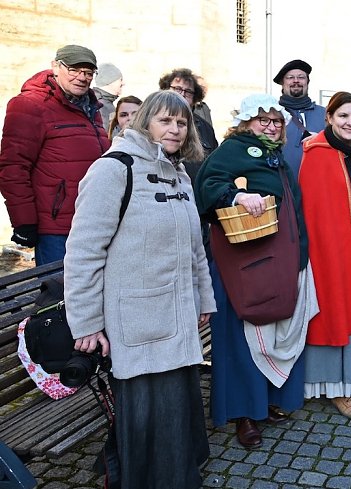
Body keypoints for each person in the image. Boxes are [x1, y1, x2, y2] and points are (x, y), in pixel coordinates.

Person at [64, 90, 215, 488]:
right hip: (137, 319)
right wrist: (86, 324)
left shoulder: (179, 173)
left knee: (176, 407)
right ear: (145, 120)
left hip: (178, 313)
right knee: (148, 410)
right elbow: (83, 252)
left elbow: (195, 246)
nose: (175, 129)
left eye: (182, 123)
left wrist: (204, 297)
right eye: (165, 120)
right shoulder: (114, 169)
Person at [194, 94, 310, 448]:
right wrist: (236, 197)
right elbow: (207, 185)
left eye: (277, 121)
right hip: (243, 262)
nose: (272, 126)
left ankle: (263, 402)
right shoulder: (234, 148)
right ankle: (243, 412)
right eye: (264, 120)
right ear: (246, 122)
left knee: (270, 331)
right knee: (240, 337)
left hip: (276, 259)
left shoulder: (275, 155)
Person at [298, 92, 351, 419]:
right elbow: (314, 210)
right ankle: (335, 386)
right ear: (329, 118)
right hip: (329, 248)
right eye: (343, 116)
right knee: (335, 311)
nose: (350, 122)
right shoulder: (317, 153)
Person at [0, 44, 111, 265]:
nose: (82, 77)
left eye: (89, 73)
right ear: (55, 67)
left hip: (93, 222)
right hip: (56, 229)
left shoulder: (91, 109)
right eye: (74, 69)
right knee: (58, 295)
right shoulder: (30, 105)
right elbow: (13, 167)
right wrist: (24, 222)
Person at [273, 59, 327, 175]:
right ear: (283, 82)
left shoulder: (326, 114)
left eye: (301, 77)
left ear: (307, 82)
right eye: (290, 77)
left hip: (318, 184)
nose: (296, 81)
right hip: (282, 186)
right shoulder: (272, 114)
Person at [158, 68, 218, 170]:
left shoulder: (205, 128)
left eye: (188, 91)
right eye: (177, 89)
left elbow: (214, 163)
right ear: (166, 89)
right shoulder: (153, 119)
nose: (182, 94)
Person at [92, 62, 123, 129]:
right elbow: (106, 134)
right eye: (120, 80)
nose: (123, 83)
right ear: (110, 81)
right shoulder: (102, 106)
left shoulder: (102, 101)